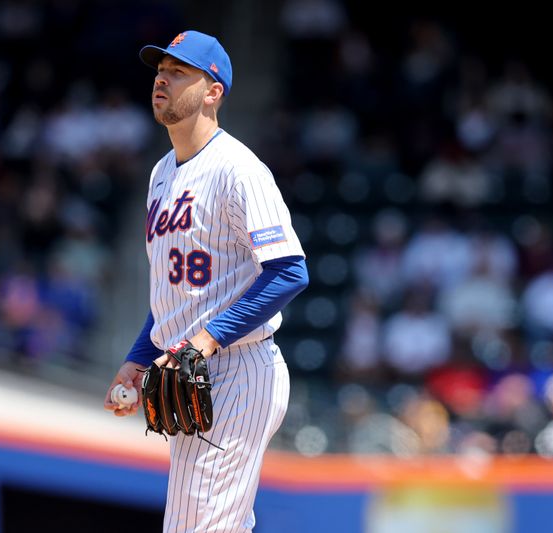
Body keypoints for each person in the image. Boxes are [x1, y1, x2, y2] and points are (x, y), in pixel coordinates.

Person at [103, 30, 309, 532]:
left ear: (213, 91)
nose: (162, 80)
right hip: (191, 367)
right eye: (160, 71)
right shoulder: (160, 175)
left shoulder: (238, 169)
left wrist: (206, 340)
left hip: (238, 368)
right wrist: (138, 358)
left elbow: (289, 270)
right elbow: (176, 292)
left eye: (178, 72)